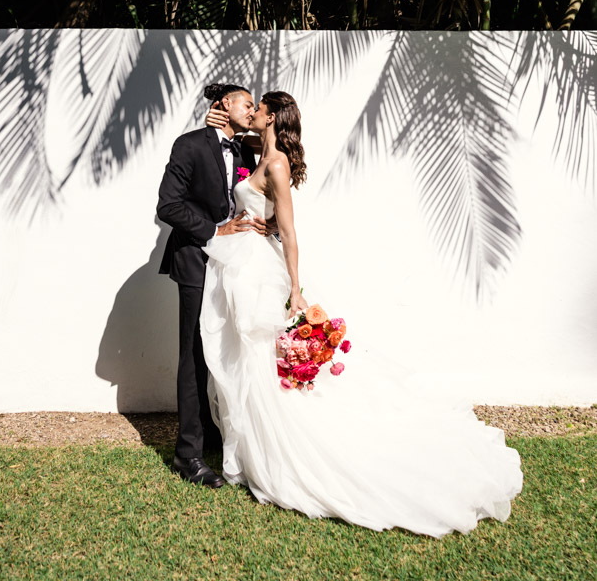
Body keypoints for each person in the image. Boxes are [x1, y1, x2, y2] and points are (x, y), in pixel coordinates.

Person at [199, 90, 524, 537]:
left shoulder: (274, 163)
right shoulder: (262, 151)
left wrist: (295, 291)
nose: (251, 111)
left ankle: (282, 452)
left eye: (258, 108)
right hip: (245, 261)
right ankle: (252, 445)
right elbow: (249, 172)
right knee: (247, 357)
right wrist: (219, 126)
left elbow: (291, 233)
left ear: (271, 116)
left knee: (261, 359)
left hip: (261, 269)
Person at [157, 82, 274, 488]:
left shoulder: (244, 149)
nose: (254, 108)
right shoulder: (188, 145)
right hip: (194, 261)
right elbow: (167, 205)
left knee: (223, 347)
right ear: (224, 104)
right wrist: (214, 230)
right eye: (247, 103)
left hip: (234, 267)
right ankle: (186, 454)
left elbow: (277, 154)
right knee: (193, 352)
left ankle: (210, 434)